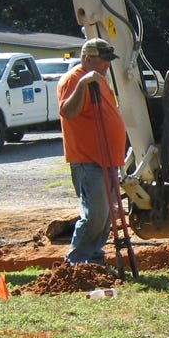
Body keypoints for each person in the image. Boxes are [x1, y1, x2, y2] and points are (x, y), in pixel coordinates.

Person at [57, 38, 127, 266]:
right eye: (103, 60)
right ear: (87, 59)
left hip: (107, 158)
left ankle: (94, 260)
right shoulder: (74, 79)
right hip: (88, 159)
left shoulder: (101, 80)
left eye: (108, 60)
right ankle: (76, 261)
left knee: (106, 216)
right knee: (95, 214)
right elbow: (68, 111)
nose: (107, 65)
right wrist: (83, 84)